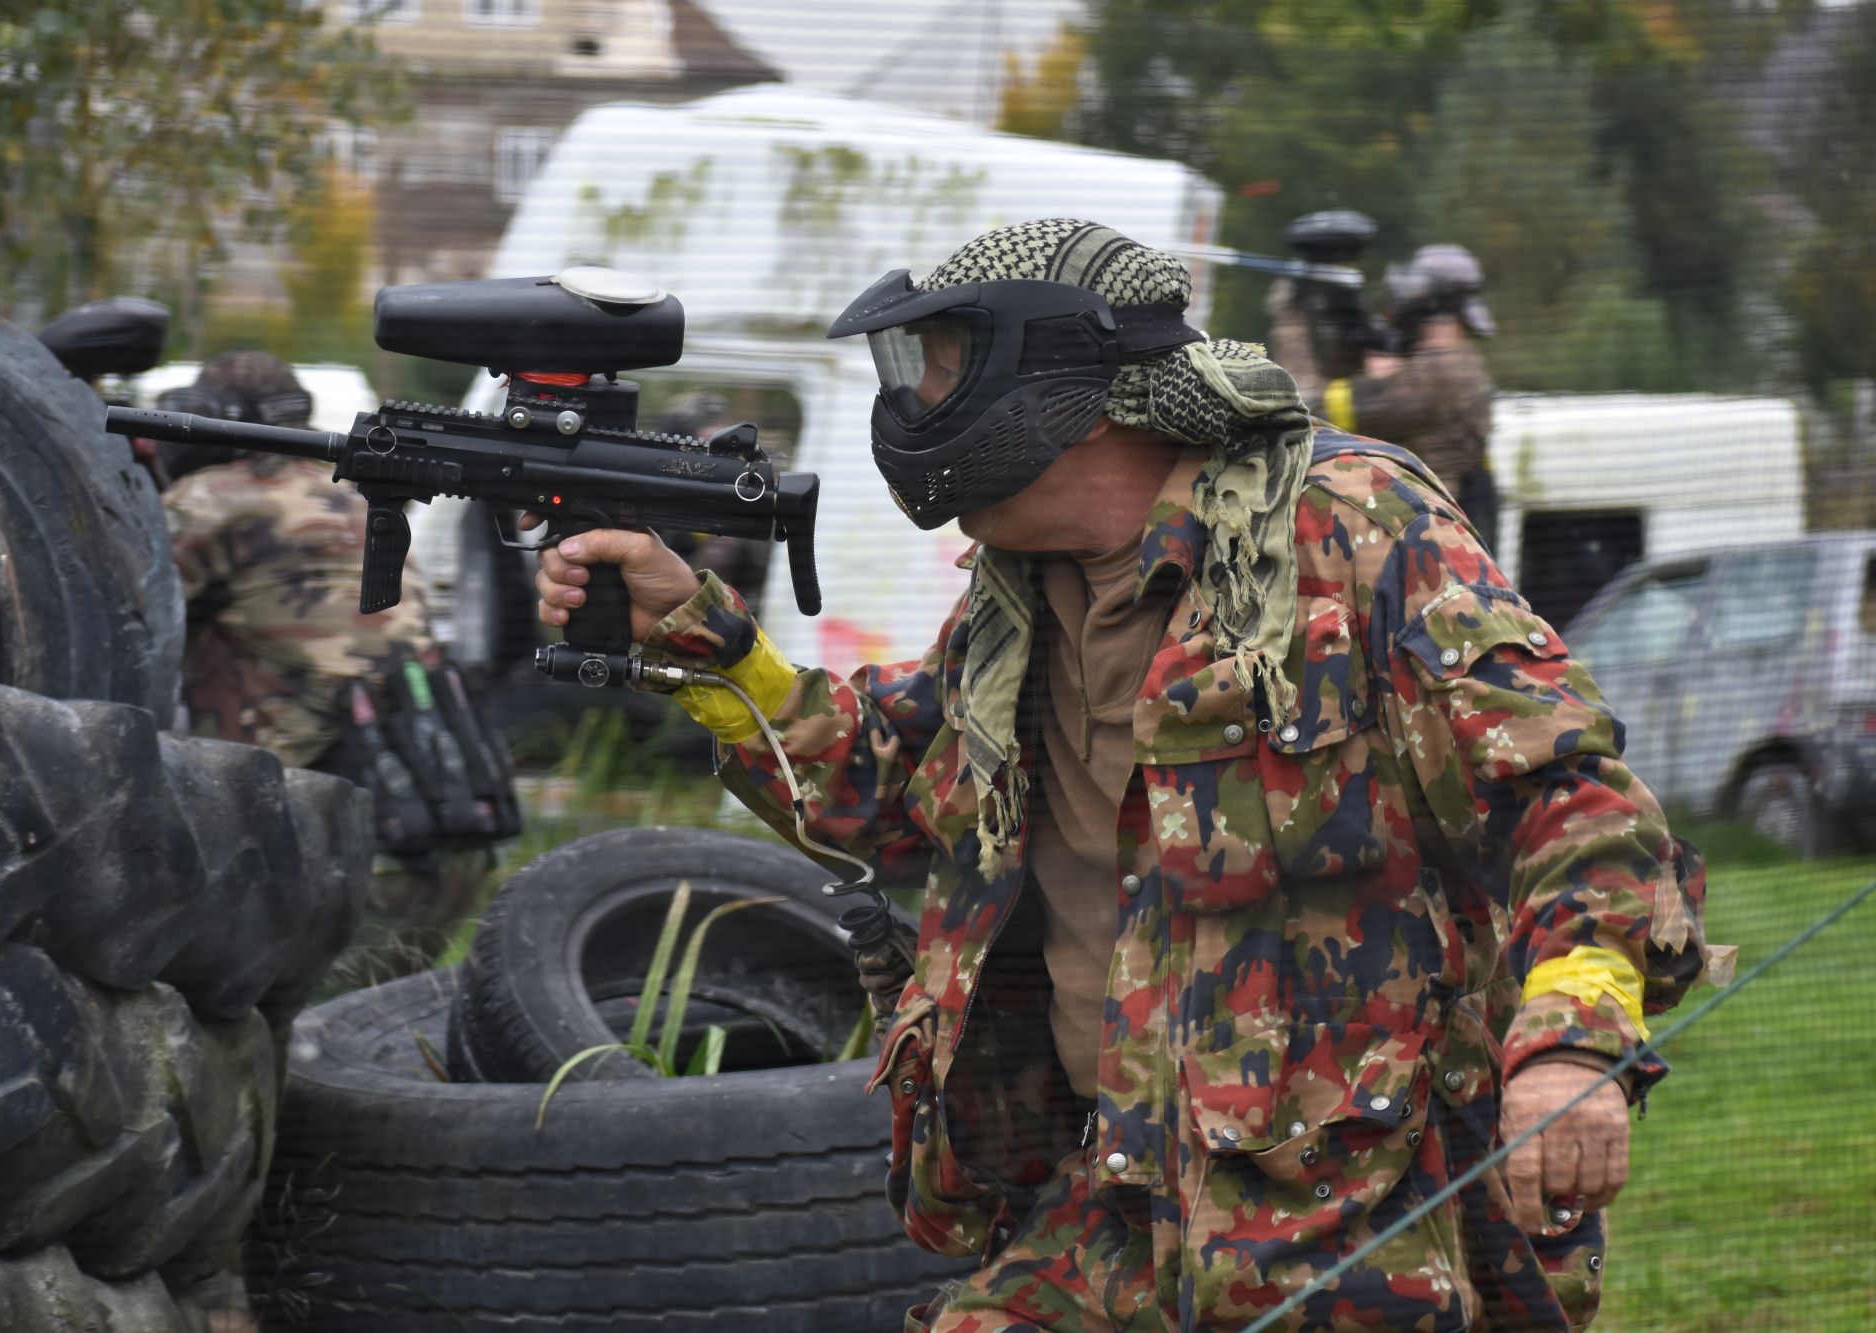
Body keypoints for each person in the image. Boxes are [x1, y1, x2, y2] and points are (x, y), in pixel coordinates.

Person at [534, 220, 1725, 1331]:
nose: (911, 407)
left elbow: (1572, 801)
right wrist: (693, 635)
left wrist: (1571, 1046)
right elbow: (878, 785)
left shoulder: (1347, 528)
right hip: (1107, 1203)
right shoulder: (1020, 594)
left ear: (1067, 396)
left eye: (938, 372)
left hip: (1354, 1228)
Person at [160, 351, 493, 989]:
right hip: (434, 814)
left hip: (311, 837)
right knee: (374, 1035)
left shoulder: (211, 501)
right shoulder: (356, 500)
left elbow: (113, 615)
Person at [1268, 243, 1501, 551]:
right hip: (1438, 542)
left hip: (1424, 547)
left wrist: (1288, 318)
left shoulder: (1433, 377)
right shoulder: (1463, 361)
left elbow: (1307, 408)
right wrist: (1351, 340)